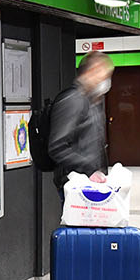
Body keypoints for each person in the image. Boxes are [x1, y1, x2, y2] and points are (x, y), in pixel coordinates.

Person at [47, 50, 113, 202]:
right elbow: (57, 146)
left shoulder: (93, 100)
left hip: (90, 184)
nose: (106, 81)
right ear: (91, 72)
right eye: (104, 75)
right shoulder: (73, 100)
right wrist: (89, 169)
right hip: (75, 185)